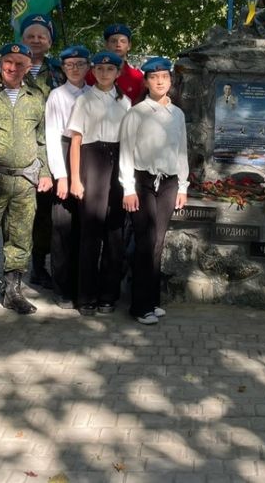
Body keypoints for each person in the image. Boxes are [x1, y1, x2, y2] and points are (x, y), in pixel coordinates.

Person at [0, 43, 53, 321]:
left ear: (28, 66)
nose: (13, 68)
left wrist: (44, 172)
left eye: (20, 63)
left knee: (20, 237)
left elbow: (42, 139)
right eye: (8, 61)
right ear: (0, 61)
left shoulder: (36, 96)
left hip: (24, 181)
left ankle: (13, 291)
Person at [119, 57, 189, 325]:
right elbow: (126, 152)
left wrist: (182, 185)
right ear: (146, 81)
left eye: (164, 76)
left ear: (171, 80)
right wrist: (128, 188)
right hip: (142, 182)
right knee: (145, 242)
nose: (160, 81)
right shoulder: (136, 113)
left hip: (169, 182)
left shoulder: (178, 114)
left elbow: (181, 150)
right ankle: (139, 306)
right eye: (154, 77)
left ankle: (152, 300)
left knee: (158, 242)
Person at [68, 51, 132, 316]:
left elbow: (130, 142)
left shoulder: (126, 102)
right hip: (91, 163)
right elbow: (75, 141)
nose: (105, 74)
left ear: (118, 73)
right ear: (93, 72)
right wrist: (75, 179)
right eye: (101, 69)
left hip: (119, 162)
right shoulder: (84, 100)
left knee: (114, 232)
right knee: (90, 233)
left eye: (111, 69)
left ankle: (109, 294)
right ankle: (86, 296)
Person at [45, 44, 91, 309]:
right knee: (63, 226)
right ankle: (62, 288)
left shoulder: (93, 94)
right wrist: (61, 175)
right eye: (69, 65)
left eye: (80, 64)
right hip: (63, 152)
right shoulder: (57, 96)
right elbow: (52, 137)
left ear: (88, 67)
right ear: (63, 68)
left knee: (86, 226)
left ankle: (81, 284)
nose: (75, 69)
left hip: (88, 156)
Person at [19, 13, 63, 289]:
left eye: (41, 36)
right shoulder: (8, 67)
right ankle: (13, 271)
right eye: (30, 36)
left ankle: (38, 265)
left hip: (51, 152)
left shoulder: (59, 70)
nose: (36, 40)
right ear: (22, 40)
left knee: (45, 215)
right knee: (18, 215)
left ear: (49, 42)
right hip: (18, 151)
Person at [86, 24, 145, 104]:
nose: (118, 45)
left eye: (123, 41)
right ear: (106, 45)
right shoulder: (92, 74)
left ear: (129, 46)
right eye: (113, 41)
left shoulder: (137, 76)